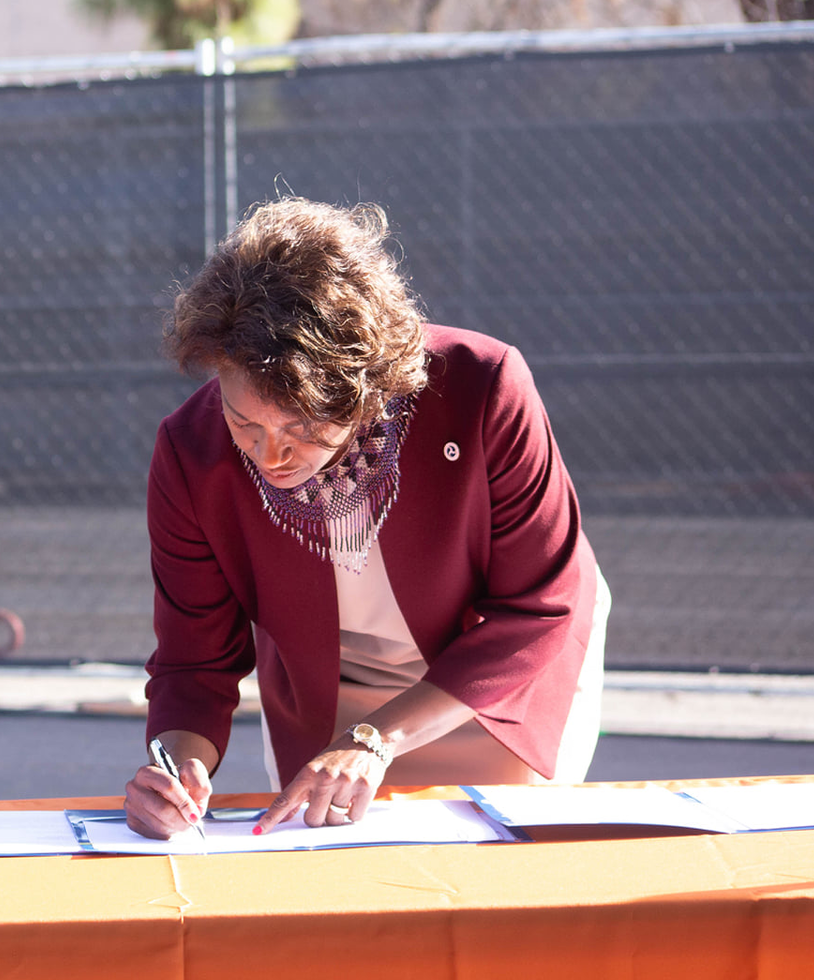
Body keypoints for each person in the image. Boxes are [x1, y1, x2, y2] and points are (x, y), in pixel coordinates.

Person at [124, 198, 610, 840]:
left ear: (368, 384)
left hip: (491, 681)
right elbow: (194, 661)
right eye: (245, 421)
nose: (270, 456)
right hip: (324, 692)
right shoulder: (191, 450)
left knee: (498, 872)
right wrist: (177, 767)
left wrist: (376, 739)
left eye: (301, 427)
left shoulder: (482, 387)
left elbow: (543, 607)